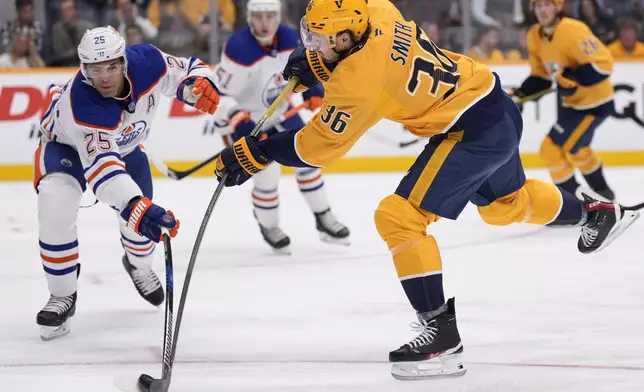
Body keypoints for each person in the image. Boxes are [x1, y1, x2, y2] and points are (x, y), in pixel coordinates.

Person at [213, 0, 639, 380]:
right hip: (492, 102)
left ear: (345, 37)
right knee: (506, 206)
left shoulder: (358, 86)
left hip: (470, 131)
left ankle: (440, 332)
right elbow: (367, 55)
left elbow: (314, 148)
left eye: (320, 39)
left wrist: (258, 152)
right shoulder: (378, 10)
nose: (313, 44)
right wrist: (321, 64)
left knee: (398, 217)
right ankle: (597, 213)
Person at [34, 26, 220, 340]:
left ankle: (138, 264)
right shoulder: (84, 104)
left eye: (111, 66)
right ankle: (63, 293)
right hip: (64, 147)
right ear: (83, 69)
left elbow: (188, 69)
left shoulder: (147, 61)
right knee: (55, 205)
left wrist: (198, 86)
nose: (105, 76)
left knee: (140, 234)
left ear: (123, 62)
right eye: (95, 68)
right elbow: (103, 172)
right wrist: (136, 207)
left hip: (127, 148)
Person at [211, 0, 349, 254]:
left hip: (281, 112)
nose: (265, 24)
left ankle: (323, 216)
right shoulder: (238, 48)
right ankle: (269, 226)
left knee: (310, 158)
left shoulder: (287, 36)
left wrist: (314, 90)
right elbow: (219, 94)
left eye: (270, 16)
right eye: (259, 17)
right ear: (249, 17)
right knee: (266, 175)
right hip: (247, 119)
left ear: (278, 16)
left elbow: (305, 67)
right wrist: (239, 121)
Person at [510, 0, 616, 201]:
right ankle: (603, 193)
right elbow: (541, 76)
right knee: (578, 150)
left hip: (596, 105)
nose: (542, 10)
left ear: (558, 7)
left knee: (550, 150)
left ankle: (573, 204)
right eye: (538, 5)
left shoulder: (573, 30)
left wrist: (573, 77)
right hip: (572, 104)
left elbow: (604, 65)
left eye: (547, 4)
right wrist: (521, 94)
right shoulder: (534, 36)